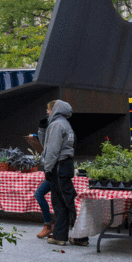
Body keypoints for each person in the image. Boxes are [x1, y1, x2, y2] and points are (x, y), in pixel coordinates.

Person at [41, 99, 84, 246]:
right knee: (62, 201)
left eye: (48, 109)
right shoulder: (65, 123)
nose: (47, 112)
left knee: (65, 202)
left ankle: (80, 236)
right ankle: (61, 236)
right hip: (65, 165)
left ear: (55, 110)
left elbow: (52, 149)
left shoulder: (56, 124)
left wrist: (47, 168)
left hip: (58, 166)